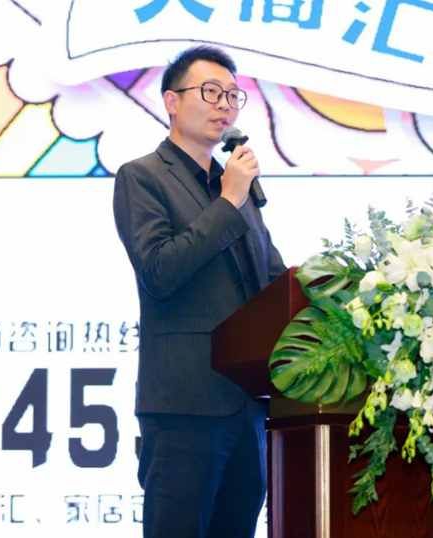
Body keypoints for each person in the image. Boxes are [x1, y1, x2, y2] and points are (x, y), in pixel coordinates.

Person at [112, 46, 287, 538]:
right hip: (184, 405)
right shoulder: (143, 177)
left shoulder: (235, 188)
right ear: (172, 101)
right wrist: (229, 201)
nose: (225, 105)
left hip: (247, 404)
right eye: (211, 92)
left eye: (233, 95)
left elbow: (271, 279)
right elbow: (160, 270)